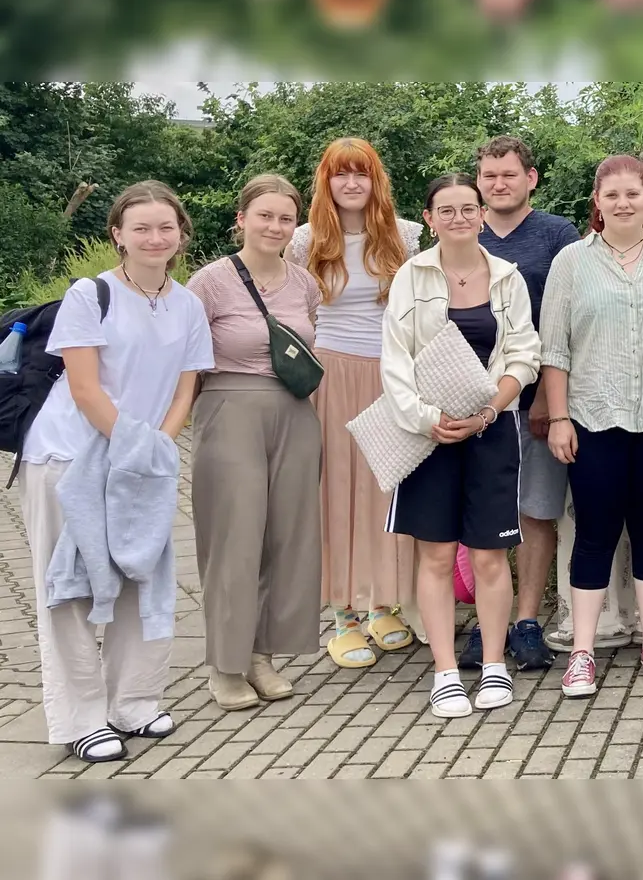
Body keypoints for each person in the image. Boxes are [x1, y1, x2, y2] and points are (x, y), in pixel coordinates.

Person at [19, 181, 212, 762]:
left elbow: (186, 388)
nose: (155, 238)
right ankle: (81, 718)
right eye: (141, 228)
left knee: (142, 575)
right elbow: (84, 388)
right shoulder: (90, 294)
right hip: (68, 459)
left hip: (142, 461)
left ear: (181, 234)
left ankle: (134, 702)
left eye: (165, 227)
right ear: (118, 235)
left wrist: (156, 448)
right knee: (67, 591)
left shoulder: (188, 304)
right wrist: (134, 446)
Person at [381, 174, 541, 718]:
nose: (458, 218)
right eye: (445, 210)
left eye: (468, 208)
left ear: (481, 214)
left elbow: (524, 354)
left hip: (491, 431)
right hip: (428, 435)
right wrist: (429, 420)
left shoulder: (507, 277)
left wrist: (487, 412)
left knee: (491, 555)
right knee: (435, 555)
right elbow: (395, 360)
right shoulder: (411, 276)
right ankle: (445, 673)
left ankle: (494, 664)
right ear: (429, 219)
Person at [542, 154, 643, 698]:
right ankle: (582, 652)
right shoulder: (571, 262)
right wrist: (559, 417)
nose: (624, 203)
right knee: (595, 534)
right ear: (598, 201)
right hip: (593, 419)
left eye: (633, 193)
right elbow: (554, 349)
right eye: (613, 195)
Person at [187, 175, 324, 712]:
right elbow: (186, 362)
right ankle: (225, 663)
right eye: (264, 215)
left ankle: (262, 655)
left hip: (295, 414)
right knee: (235, 538)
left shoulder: (304, 283)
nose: (275, 226)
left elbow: (307, 347)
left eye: (286, 218)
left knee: (287, 539)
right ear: (242, 219)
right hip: (229, 408)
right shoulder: (210, 282)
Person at [289, 136, 425, 669]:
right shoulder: (303, 241)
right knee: (338, 493)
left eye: (361, 173)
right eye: (340, 173)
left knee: (385, 492)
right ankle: (343, 616)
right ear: (326, 181)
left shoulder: (405, 236)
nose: (351, 183)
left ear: (375, 180)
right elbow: (295, 311)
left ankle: (383, 604)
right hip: (330, 376)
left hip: (390, 377)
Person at [470, 134, 582, 672]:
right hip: (474, 398)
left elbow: (565, 320)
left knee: (536, 511)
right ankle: (485, 622)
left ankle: (528, 620)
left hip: (538, 398)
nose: (499, 184)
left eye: (509, 174)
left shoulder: (557, 234)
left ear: (531, 178)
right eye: (489, 176)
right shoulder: (464, 228)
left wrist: (549, 400)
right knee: (484, 511)